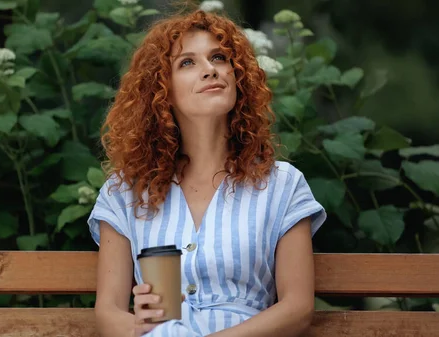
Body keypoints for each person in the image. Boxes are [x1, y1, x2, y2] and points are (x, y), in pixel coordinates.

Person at [87, 8, 326, 337]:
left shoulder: (282, 185)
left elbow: (297, 309)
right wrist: (145, 328)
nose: (210, 70)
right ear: (162, 90)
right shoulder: (125, 192)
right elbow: (109, 313)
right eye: (187, 62)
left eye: (219, 58)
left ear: (237, 76)